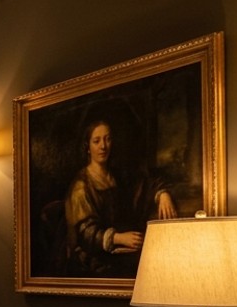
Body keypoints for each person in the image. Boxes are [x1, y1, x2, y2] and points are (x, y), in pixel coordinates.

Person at [64, 119, 177, 278]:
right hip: (94, 259)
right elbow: (85, 232)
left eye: (108, 139)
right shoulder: (81, 187)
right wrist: (118, 238)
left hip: (122, 251)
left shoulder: (117, 175)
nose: (103, 146)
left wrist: (162, 194)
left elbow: (144, 185)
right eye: (97, 141)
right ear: (87, 147)